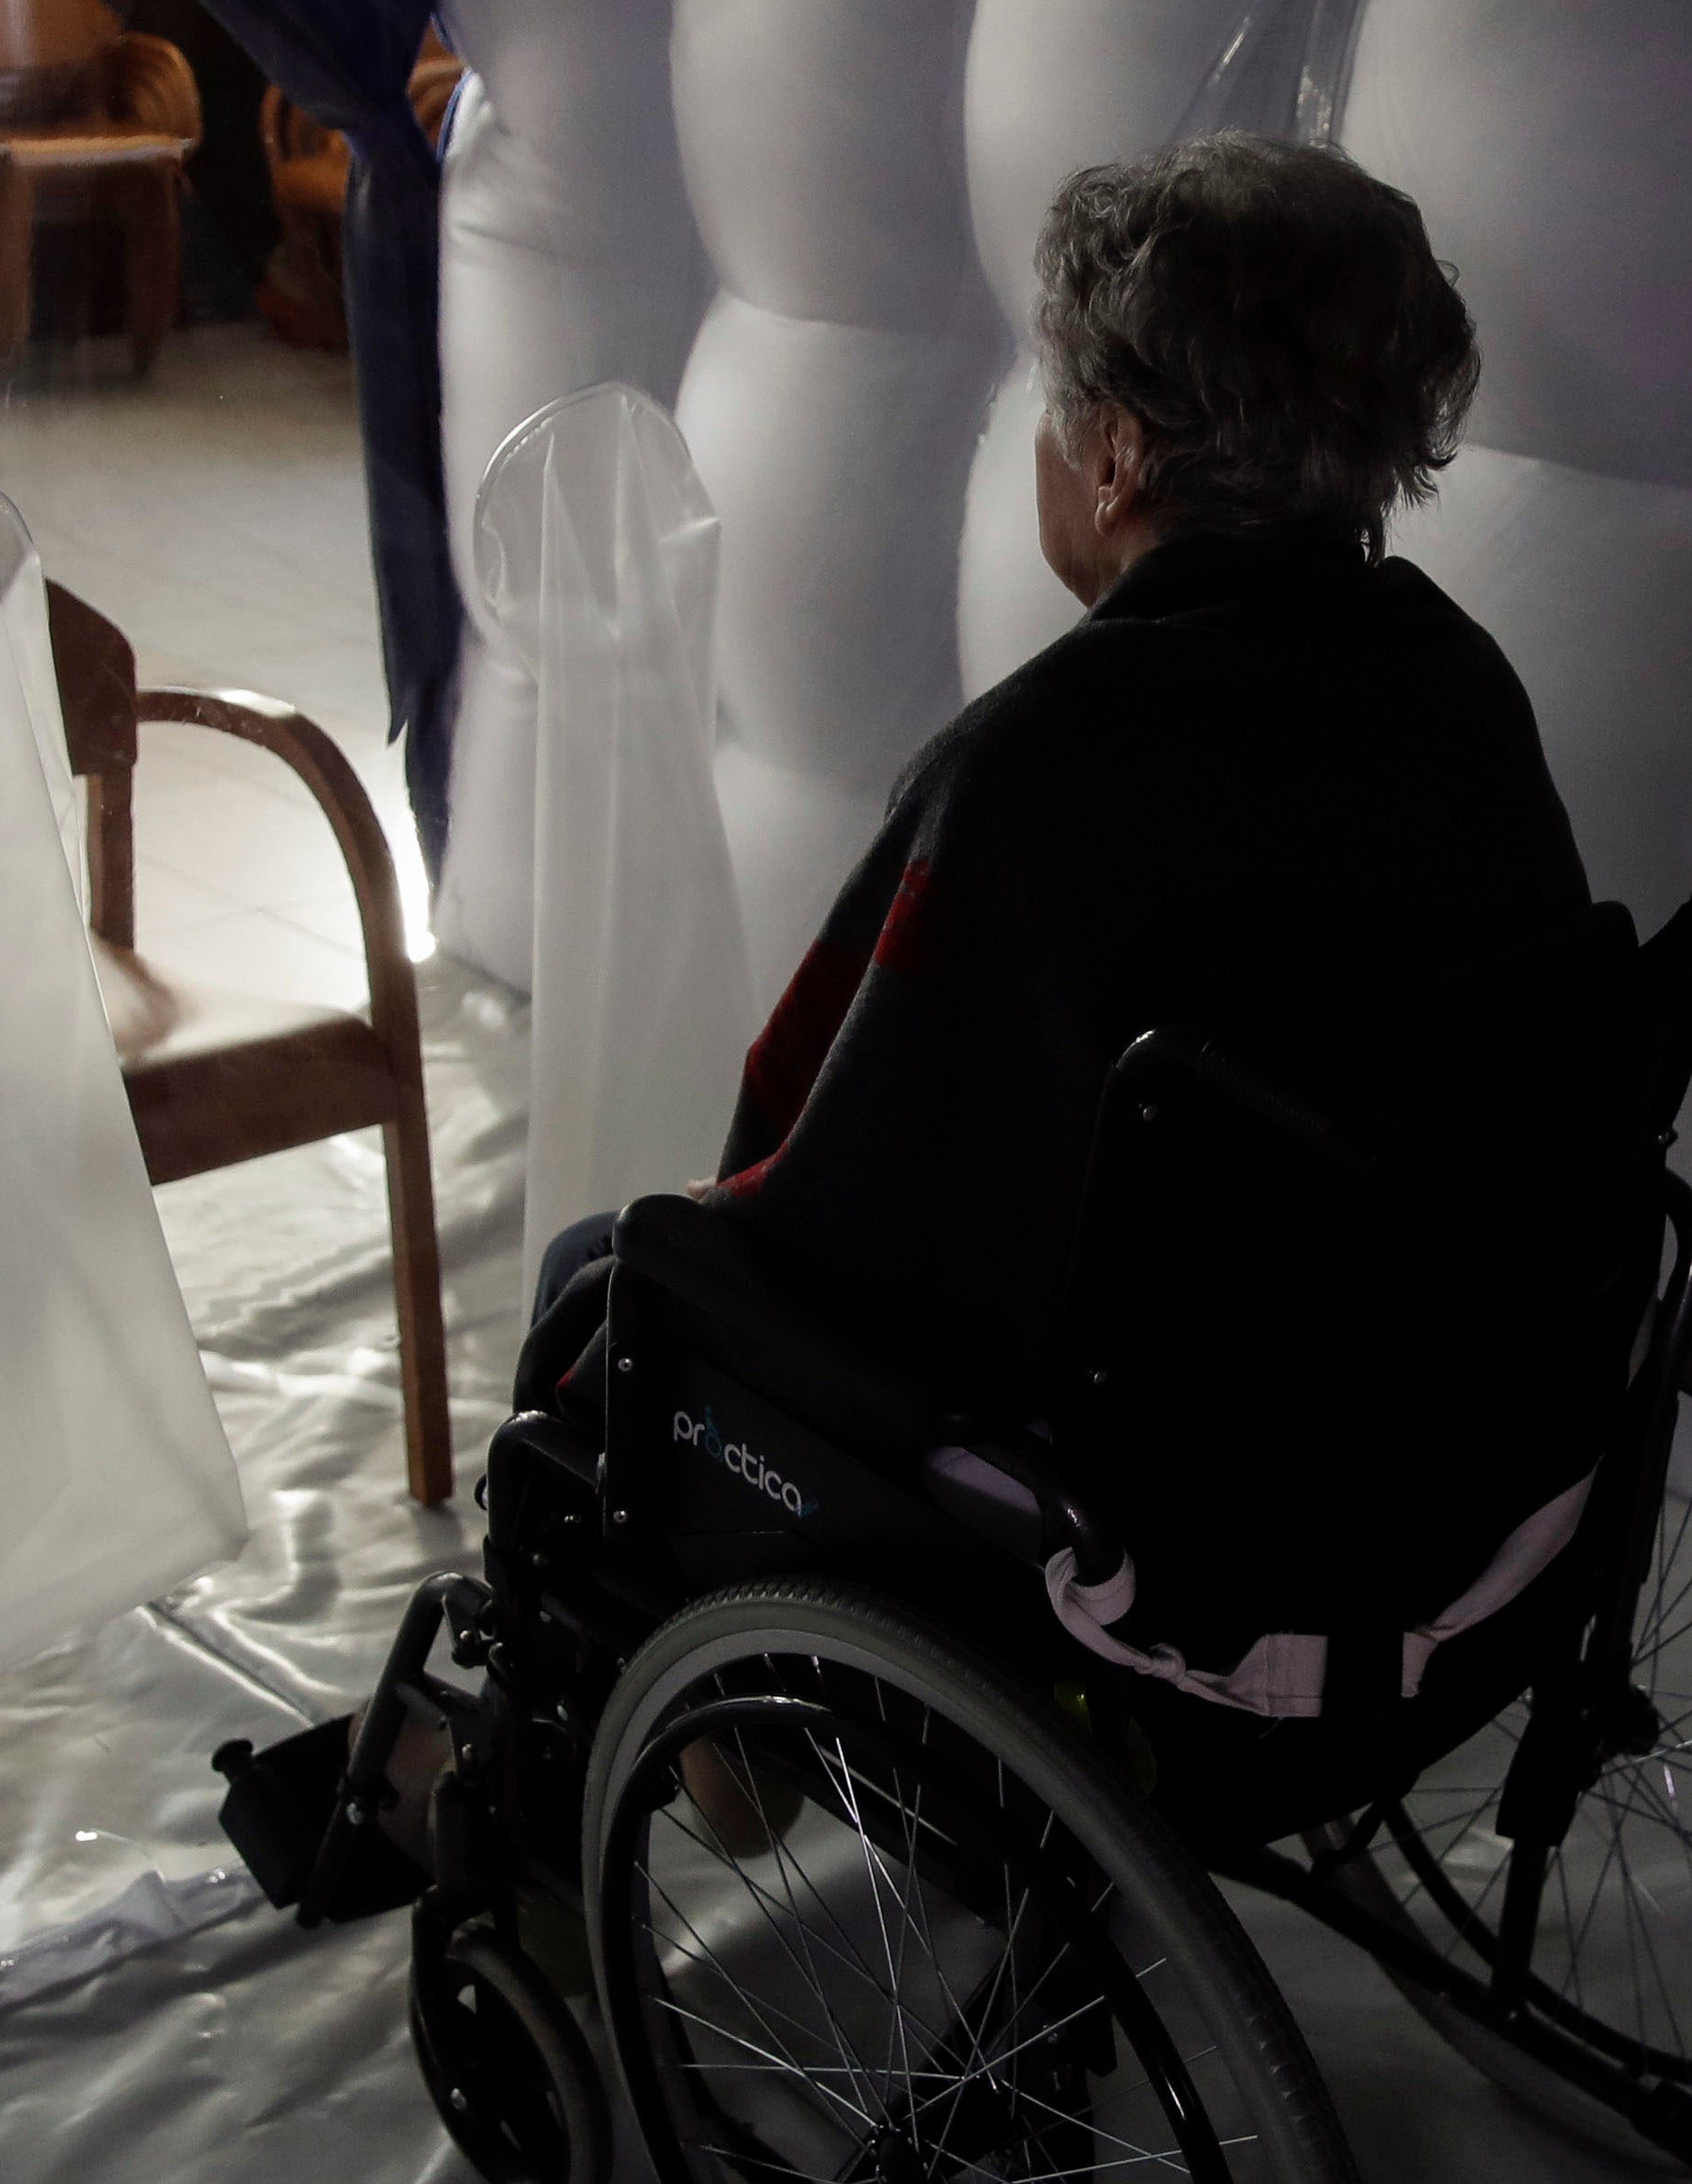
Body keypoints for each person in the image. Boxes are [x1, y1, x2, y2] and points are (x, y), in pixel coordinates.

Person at [514, 128, 1592, 1487]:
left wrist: (695, 1234)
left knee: (599, 1276)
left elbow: (850, 1201)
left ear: (1115, 459)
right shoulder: (1459, 685)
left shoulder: (1037, 771)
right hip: (1426, 1401)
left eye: (1054, 400)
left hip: (1156, 1452)